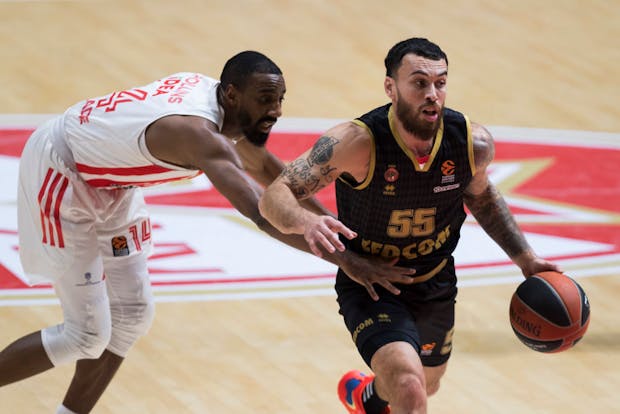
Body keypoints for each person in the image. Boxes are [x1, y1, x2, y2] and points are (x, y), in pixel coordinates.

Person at [0, 51, 414, 414]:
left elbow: (277, 176)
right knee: (86, 335)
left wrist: (347, 236)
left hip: (111, 184)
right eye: (266, 100)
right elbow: (265, 214)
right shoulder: (199, 134)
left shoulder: (225, 108)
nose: (276, 110)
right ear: (232, 95)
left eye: (280, 99)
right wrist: (346, 260)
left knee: (132, 316)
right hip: (64, 172)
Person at [258, 38, 560, 414]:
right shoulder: (356, 142)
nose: (432, 94)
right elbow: (274, 195)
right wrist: (306, 220)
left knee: (425, 385)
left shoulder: (471, 143)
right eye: (419, 83)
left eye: (441, 82)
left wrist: (526, 259)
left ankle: (366, 397)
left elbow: (481, 198)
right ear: (391, 87)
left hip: (434, 282)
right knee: (408, 388)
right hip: (369, 282)